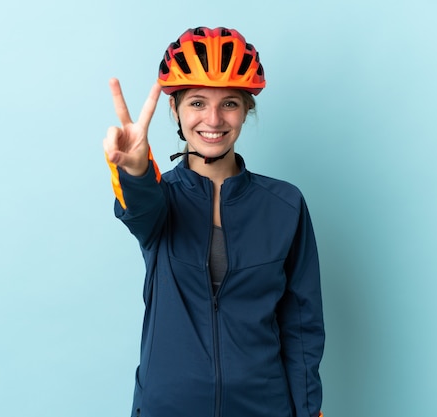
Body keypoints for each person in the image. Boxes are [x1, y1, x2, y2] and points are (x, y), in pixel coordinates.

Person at [103, 26, 324, 417]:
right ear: (175, 110)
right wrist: (136, 173)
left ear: (246, 110)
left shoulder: (285, 204)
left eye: (230, 104)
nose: (213, 119)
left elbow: (302, 326)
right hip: (168, 406)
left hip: (263, 406)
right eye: (197, 103)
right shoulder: (161, 198)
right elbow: (138, 210)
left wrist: (308, 412)